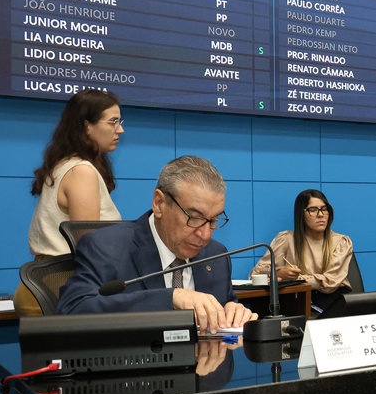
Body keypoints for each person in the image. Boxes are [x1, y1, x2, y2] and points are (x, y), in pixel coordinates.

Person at [56, 155, 257, 332]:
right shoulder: (105, 247)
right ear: (159, 203)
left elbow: (225, 308)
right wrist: (170, 298)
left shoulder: (216, 255)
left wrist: (234, 311)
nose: (205, 235)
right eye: (194, 217)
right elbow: (73, 310)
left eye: (213, 220)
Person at [15, 89, 124, 316]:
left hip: (52, 286)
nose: (120, 129)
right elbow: (88, 248)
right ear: (87, 126)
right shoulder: (81, 171)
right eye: (112, 122)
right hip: (59, 290)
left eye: (120, 122)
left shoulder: (67, 165)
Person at [251, 189, 353, 316]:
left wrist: (293, 280)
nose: (320, 214)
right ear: (301, 214)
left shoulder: (341, 242)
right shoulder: (286, 239)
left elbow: (330, 282)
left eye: (324, 209)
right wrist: (278, 273)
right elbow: (255, 274)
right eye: (313, 210)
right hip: (297, 300)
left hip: (332, 300)